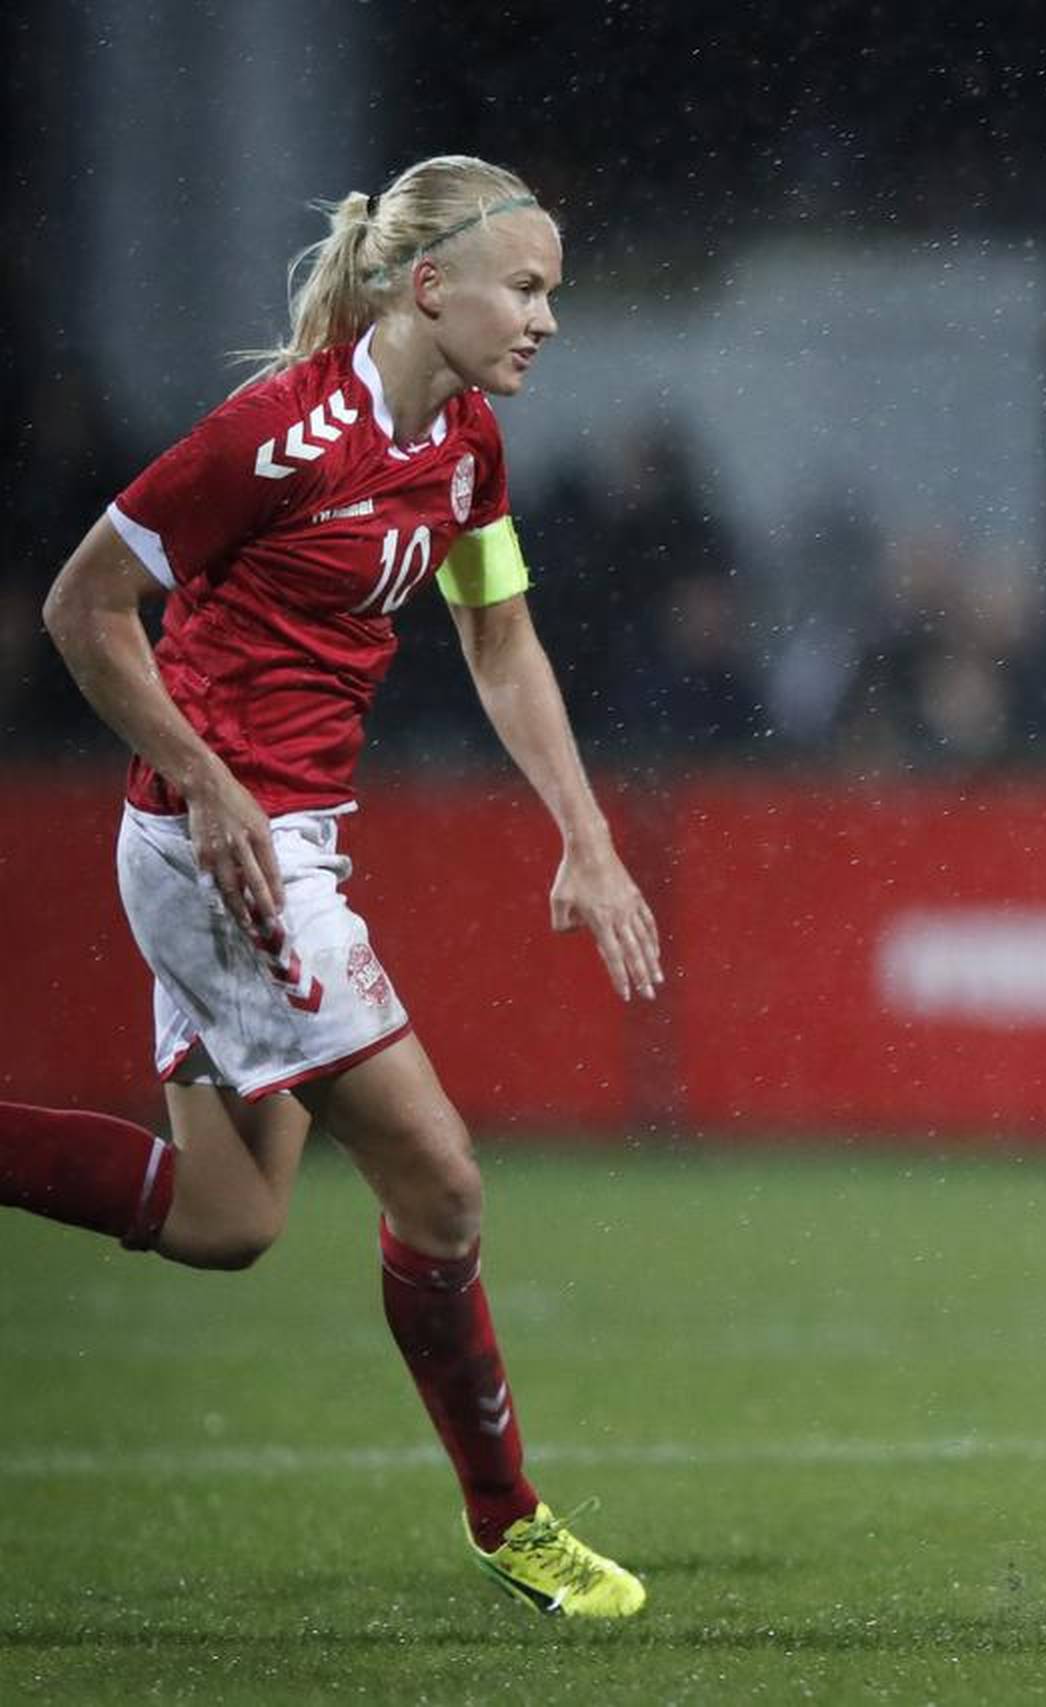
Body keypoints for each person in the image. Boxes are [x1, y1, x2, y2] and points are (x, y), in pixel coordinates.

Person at [6, 156, 656, 1617]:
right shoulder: (274, 436)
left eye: (556, 292)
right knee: (441, 1182)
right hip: (223, 848)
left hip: (266, 838)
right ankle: (511, 1524)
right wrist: (212, 778)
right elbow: (81, 605)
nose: (549, 319)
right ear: (432, 286)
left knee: (226, 1219)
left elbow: (500, 642)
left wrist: (587, 834)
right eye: (528, 289)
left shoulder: (468, 442)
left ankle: (504, 1524)